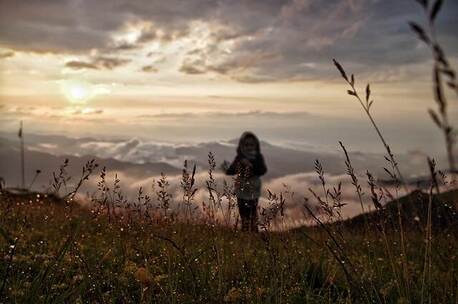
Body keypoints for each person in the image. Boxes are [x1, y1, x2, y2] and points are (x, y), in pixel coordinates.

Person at [223, 131, 267, 232]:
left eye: (251, 145)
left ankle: (254, 232)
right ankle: (245, 231)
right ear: (242, 145)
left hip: (253, 188)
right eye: (246, 144)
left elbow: (263, 170)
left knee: (252, 212)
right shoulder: (239, 157)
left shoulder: (258, 157)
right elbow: (231, 171)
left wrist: (251, 166)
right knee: (243, 212)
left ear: (256, 145)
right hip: (241, 189)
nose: (249, 147)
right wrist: (226, 168)